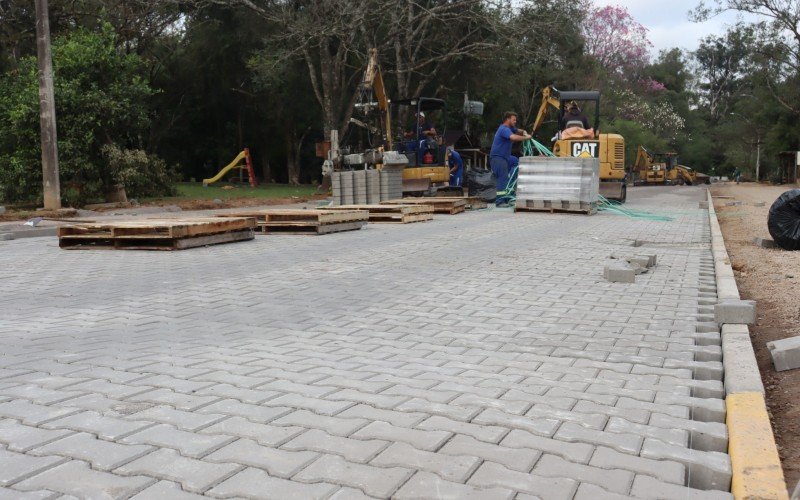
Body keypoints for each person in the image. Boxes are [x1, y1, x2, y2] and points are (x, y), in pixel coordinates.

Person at [489, 111, 531, 206]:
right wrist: (526, 138)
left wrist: (523, 132)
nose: (515, 121)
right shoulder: (504, 129)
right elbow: (513, 138)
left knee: (517, 162)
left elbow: (517, 130)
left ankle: (510, 186)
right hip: (498, 158)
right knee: (502, 178)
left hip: (506, 157)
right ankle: (500, 202)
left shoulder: (510, 128)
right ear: (507, 119)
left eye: (516, 120)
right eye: (513, 119)